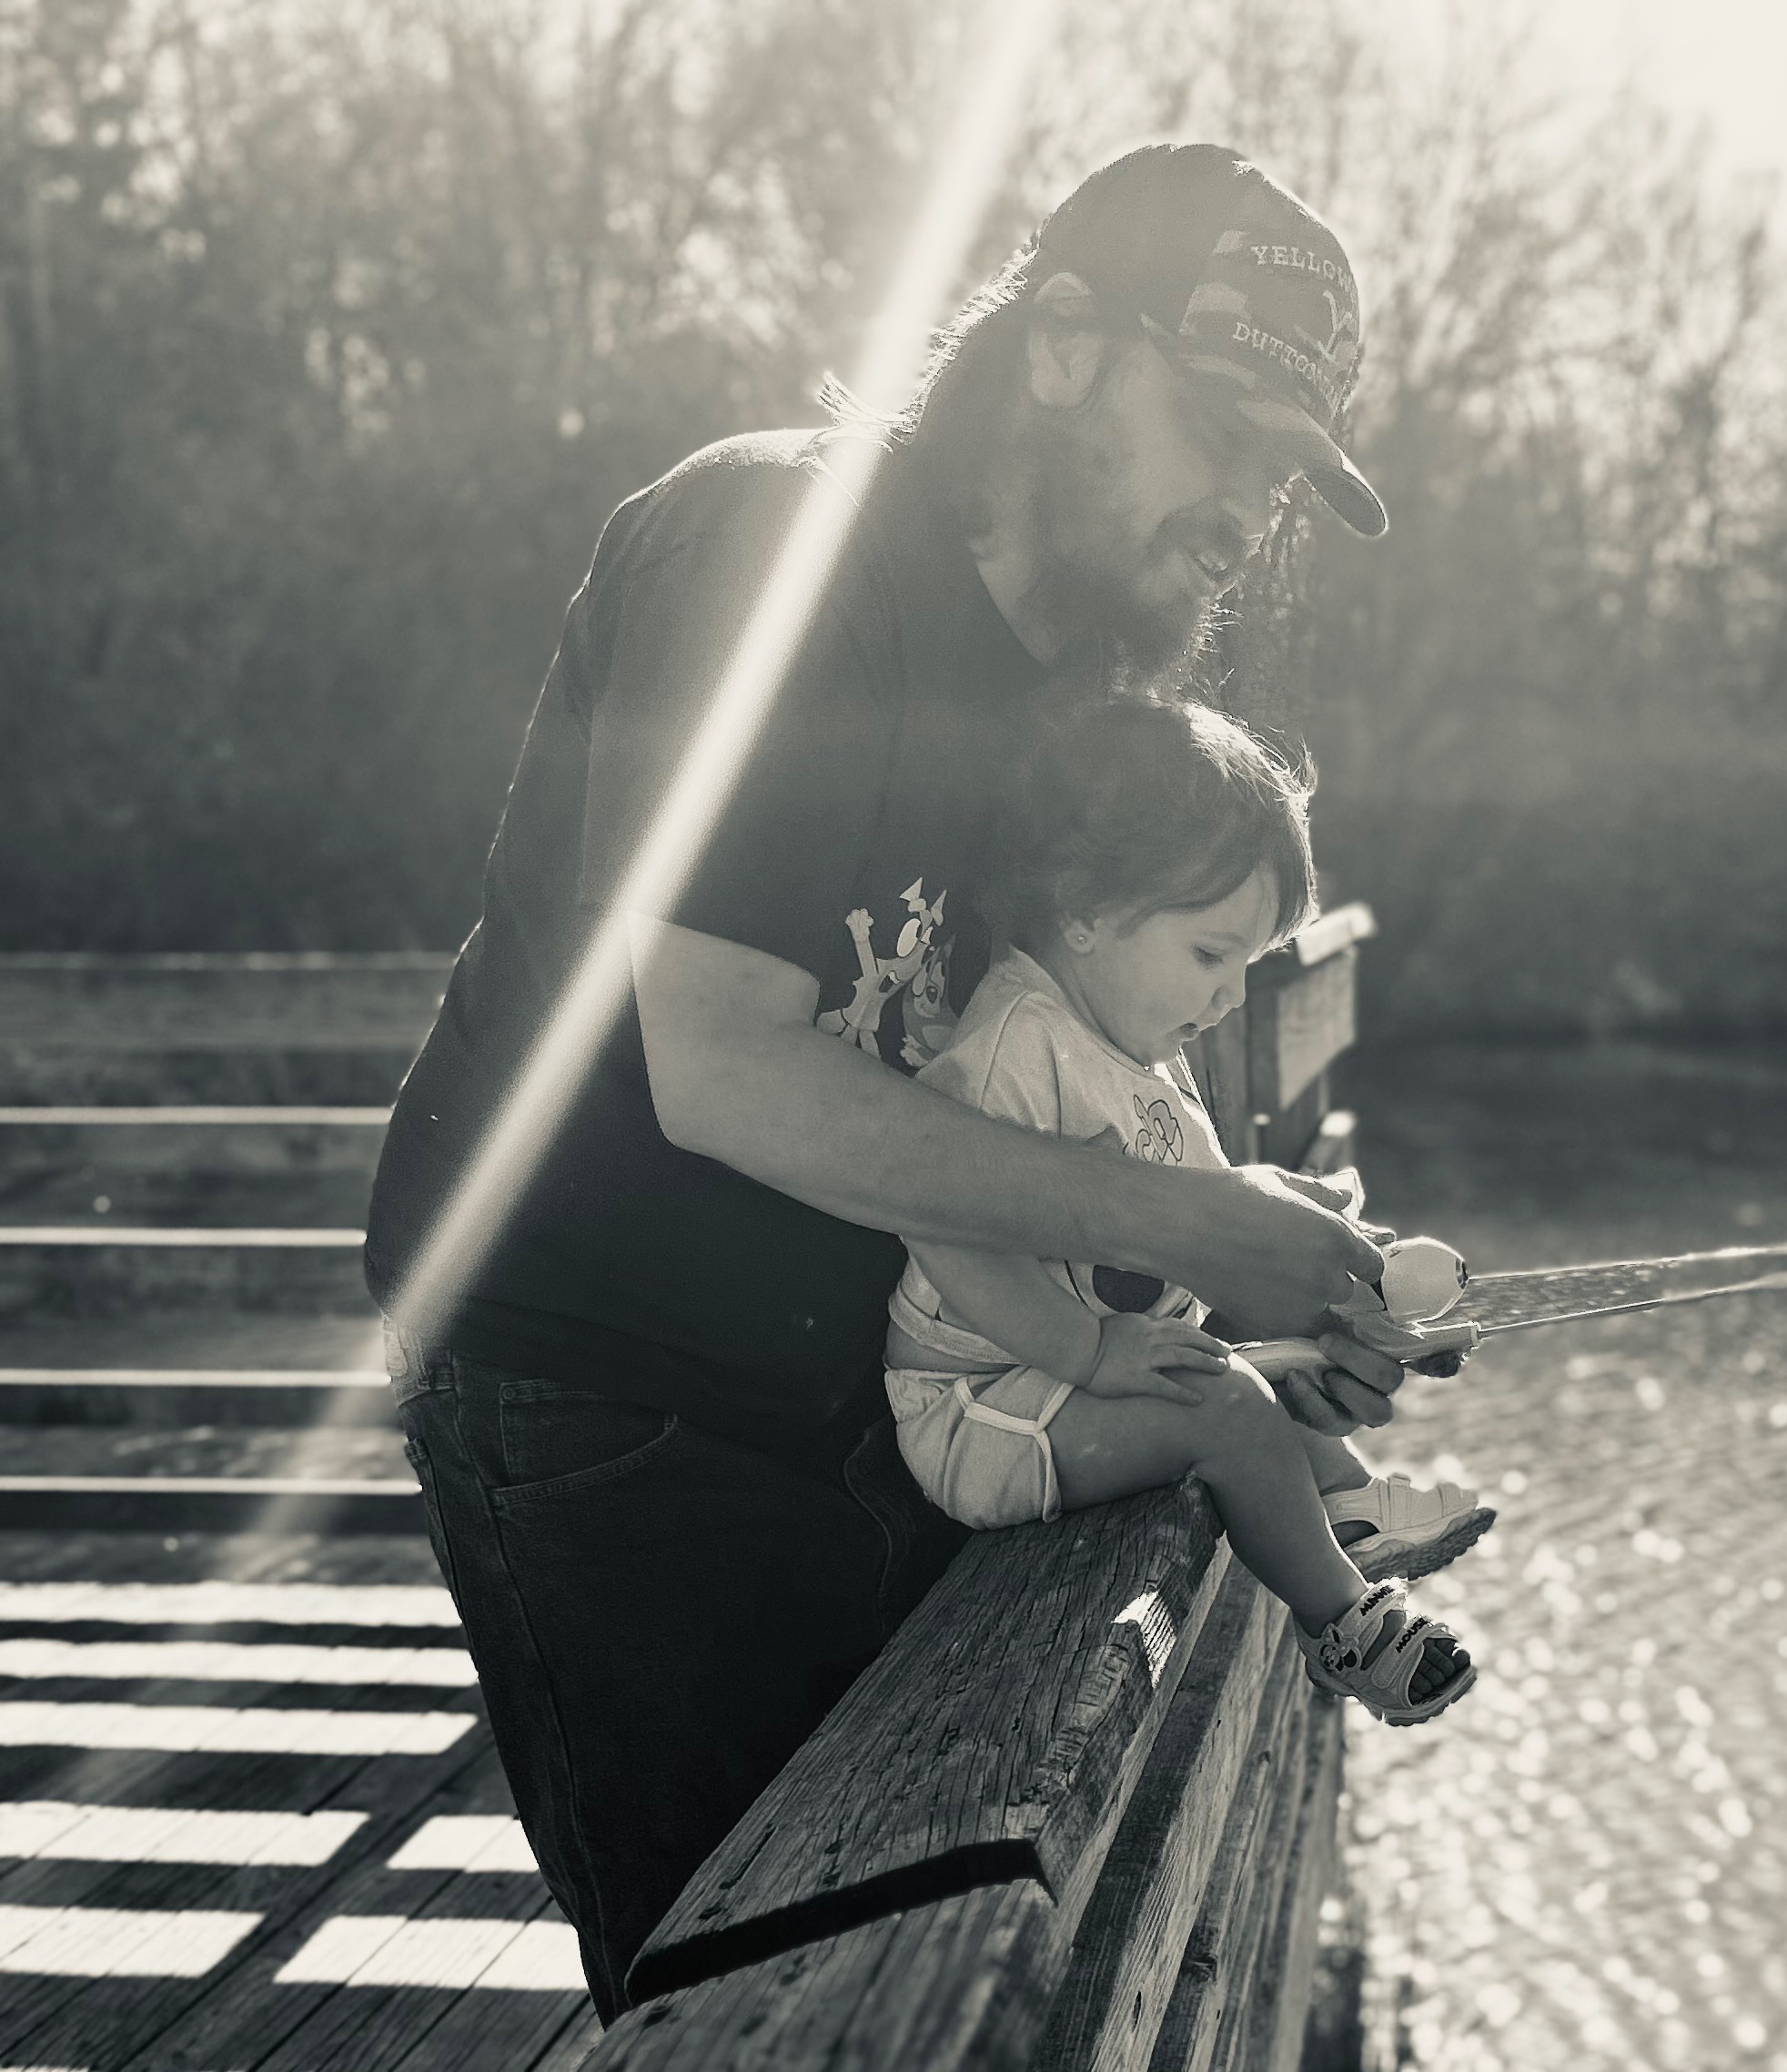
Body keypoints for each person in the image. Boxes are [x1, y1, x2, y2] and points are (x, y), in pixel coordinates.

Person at [362, 144, 1420, 2019]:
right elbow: (721, 1070)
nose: (1247, 516)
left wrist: (1257, 1322)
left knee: (915, 1922)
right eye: (1227, 435)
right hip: (598, 1380)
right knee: (743, 1992)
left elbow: (1043, 1084)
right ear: (1064, 347)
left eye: (1282, 479)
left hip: (857, 1361)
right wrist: (1197, 1222)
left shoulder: (1062, 698)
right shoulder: (771, 557)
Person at [885, 694, 1489, 1726]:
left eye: (1248, 964)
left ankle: (1344, 1502)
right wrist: (1087, 1350)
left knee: (1259, 1365)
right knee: (1228, 1404)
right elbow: (937, 1217)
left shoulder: (1131, 1035)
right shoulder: (1015, 1049)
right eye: (1211, 955)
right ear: (1084, 908)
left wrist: (1332, 1261)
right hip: (983, 1408)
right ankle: (1346, 1623)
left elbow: (1202, 1208)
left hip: (1059, 1380)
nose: (1232, 997)